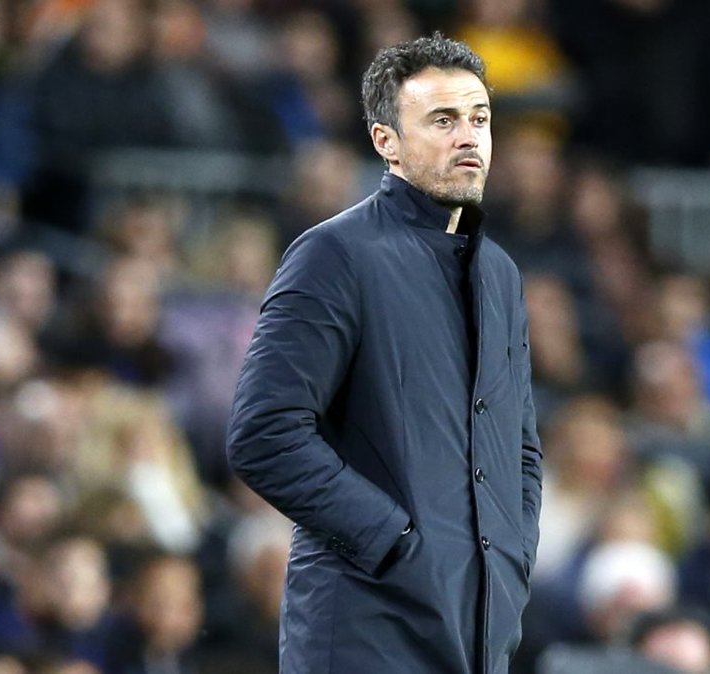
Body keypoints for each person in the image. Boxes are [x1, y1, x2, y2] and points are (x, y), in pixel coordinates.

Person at [226, 34, 543, 674]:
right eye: (443, 120)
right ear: (385, 141)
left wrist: (511, 557)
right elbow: (264, 434)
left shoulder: (500, 273)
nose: (469, 138)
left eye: (479, 118)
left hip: (479, 632)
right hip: (364, 631)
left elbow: (519, 449)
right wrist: (395, 543)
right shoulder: (334, 254)